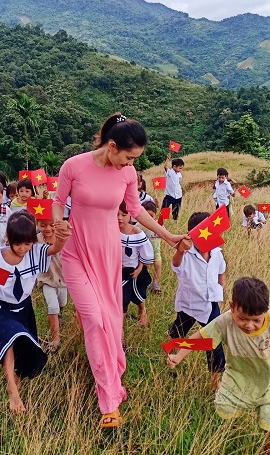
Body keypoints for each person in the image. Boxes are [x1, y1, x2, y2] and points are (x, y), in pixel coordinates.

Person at [53, 112, 186, 428]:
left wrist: (167, 236)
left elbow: (136, 210)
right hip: (76, 254)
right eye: (128, 157)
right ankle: (109, 401)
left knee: (111, 321)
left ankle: (110, 368)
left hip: (109, 255)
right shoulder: (74, 166)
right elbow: (58, 201)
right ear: (112, 146)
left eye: (135, 160)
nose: (131, 165)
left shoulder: (127, 174)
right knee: (94, 320)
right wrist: (59, 222)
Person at [168, 277, 270, 455]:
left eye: (256, 320)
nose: (250, 326)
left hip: (269, 384)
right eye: (243, 319)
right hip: (237, 378)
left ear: (266, 312)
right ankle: (229, 434)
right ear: (231, 306)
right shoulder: (225, 322)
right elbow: (201, 338)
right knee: (223, 409)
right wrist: (179, 355)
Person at [0, 210, 71, 413]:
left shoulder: (35, 253)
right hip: (2, 310)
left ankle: (16, 375)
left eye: (27, 243)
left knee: (29, 353)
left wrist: (63, 236)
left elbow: (55, 247)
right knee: (9, 343)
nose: (23, 248)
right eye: (18, 243)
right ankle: (13, 392)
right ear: (9, 239)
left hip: (25, 309)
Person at [166, 212, 227, 390]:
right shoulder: (186, 254)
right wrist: (180, 249)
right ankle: (172, 352)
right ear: (191, 234)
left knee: (214, 343)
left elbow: (221, 269)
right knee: (178, 331)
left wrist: (220, 288)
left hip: (209, 304)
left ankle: (215, 383)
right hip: (188, 303)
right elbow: (176, 264)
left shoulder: (216, 252)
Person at [35, 213, 68, 353]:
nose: (47, 228)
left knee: (62, 304)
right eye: (43, 225)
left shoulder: (64, 238)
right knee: (53, 307)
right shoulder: (36, 240)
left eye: (51, 224)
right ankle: (56, 340)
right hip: (46, 279)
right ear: (37, 224)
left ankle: (60, 315)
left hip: (63, 279)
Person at [118, 201, 154, 326]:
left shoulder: (136, 232)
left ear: (130, 215)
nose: (119, 218)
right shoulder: (112, 230)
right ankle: (118, 334)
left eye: (124, 214)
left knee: (139, 298)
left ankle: (142, 315)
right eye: (116, 214)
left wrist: (139, 268)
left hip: (135, 272)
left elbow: (144, 253)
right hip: (119, 273)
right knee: (122, 301)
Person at [138, 200, 163, 293]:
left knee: (158, 265)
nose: (149, 218)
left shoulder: (158, 224)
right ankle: (146, 282)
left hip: (156, 250)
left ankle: (155, 283)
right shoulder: (139, 226)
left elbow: (163, 234)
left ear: (155, 215)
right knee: (146, 266)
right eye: (146, 216)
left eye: (151, 216)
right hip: (144, 251)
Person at [163, 154, 185, 221]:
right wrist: (168, 158)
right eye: (180, 168)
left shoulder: (179, 174)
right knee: (165, 209)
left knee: (176, 210)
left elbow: (179, 182)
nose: (180, 170)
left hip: (178, 195)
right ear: (174, 166)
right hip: (169, 195)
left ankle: (175, 221)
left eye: (181, 168)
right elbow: (165, 166)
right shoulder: (170, 172)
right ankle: (163, 220)